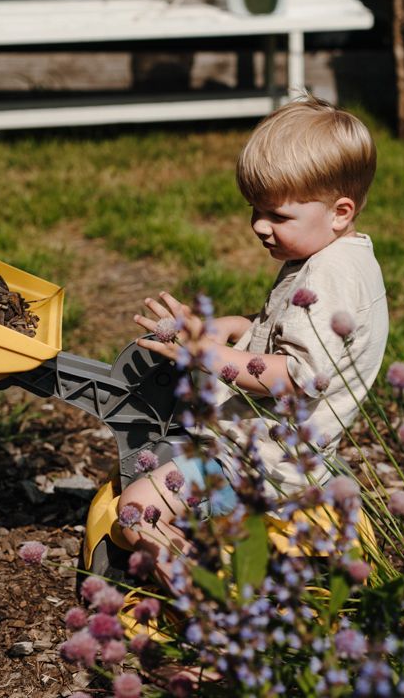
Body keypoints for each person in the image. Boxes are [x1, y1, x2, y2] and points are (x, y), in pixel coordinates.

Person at [116, 95, 389, 571]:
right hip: (283, 456)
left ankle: (196, 589)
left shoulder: (327, 277)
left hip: (256, 467)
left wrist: (205, 355)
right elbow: (290, 335)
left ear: (339, 211)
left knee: (134, 511)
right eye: (254, 209)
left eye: (277, 216)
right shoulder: (335, 257)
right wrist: (235, 328)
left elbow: (296, 375)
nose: (259, 226)